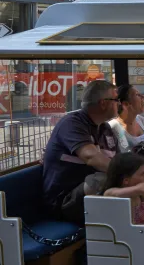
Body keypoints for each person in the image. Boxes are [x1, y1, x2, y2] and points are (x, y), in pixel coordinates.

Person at [42, 80, 120, 223]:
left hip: (89, 194)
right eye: (116, 100)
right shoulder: (72, 123)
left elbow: (119, 160)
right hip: (65, 200)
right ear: (103, 103)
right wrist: (125, 175)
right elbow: (91, 157)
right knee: (102, 180)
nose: (119, 103)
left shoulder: (105, 128)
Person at [110, 85, 144, 159]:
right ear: (125, 104)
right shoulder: (113, 128)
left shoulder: (139, 119)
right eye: (137, 94)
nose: (143, 96)